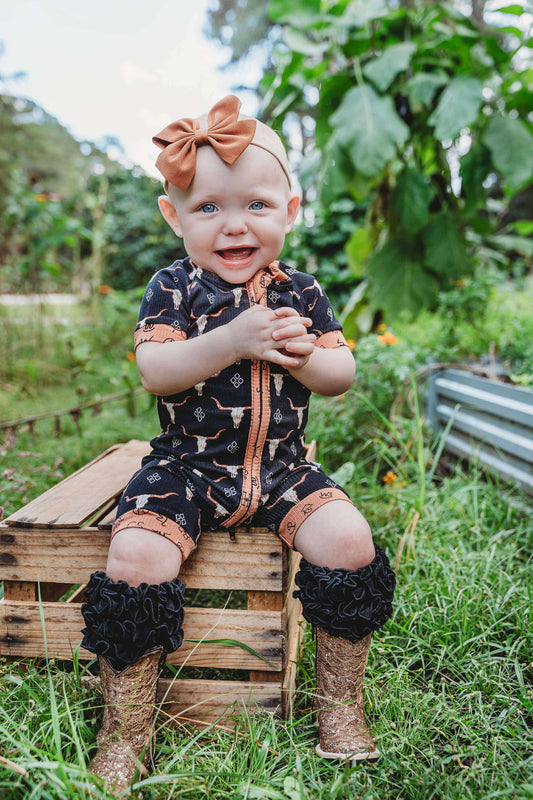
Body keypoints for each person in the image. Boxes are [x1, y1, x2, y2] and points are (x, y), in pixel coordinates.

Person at [81, 95, 395, 792]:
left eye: (256, 205)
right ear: (174, 217)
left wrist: (304, 356)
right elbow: (156, 370)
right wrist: (230, 340)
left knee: (350, 542)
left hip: (282, 470)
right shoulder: (173, 288)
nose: (233, 225)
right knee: (136, 555)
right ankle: (126, 732)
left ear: (290, 209)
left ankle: (339, 707)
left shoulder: (301, 293)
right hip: (186, 468)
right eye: (207, 208)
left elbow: (340, 374)